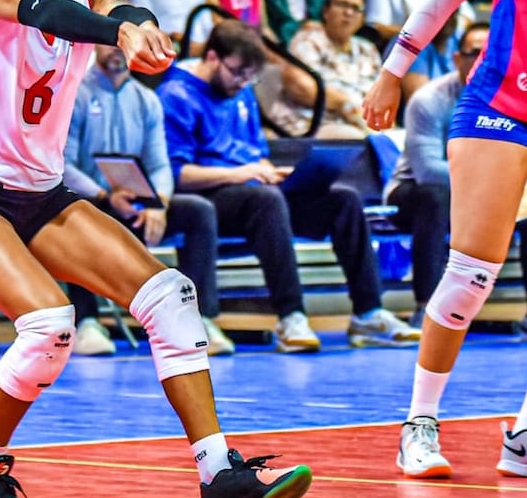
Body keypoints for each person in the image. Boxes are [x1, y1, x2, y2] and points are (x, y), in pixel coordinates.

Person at [0, 0, 311, 498]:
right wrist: (119, 33)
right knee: (50, 325)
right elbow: (46, 14)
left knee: (170, 295)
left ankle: (220, 475)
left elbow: (118, 4)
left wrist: (141, 28)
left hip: (40, 194)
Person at [362, 0, 527, 481]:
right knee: (470, 277)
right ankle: (419, 424)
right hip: (498, 109)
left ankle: (523, 437)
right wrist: (392, 72)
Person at [158, 18, 422, 356]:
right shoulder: (176, 94)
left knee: (342, 199)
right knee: (265, 200)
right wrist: (240, 173)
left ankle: (369, 314)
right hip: (209, 198)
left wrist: (272, 171)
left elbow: (255, 152)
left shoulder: (241, 91)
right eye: (236, 72)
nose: (242, 83)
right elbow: (176, 174)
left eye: (250, 77)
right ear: (212, 57)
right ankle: (291, 316)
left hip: (256, 192)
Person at [63, 44, 232, 357]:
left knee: (199, 212)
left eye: (123, 46)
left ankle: (199, 318)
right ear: (95, 44)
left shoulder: (146, 100)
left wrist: (159, 204)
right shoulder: (74, 94)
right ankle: (86, 321)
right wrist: (105, 195)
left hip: (136, 204)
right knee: (76, 211)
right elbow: (63, 165)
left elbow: (159, 164)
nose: (117, 52)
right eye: (110, 44)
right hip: (92, 198)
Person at [383, 22, 491, 329]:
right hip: (412, 192)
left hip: (478, 194)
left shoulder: (511, 102)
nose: (482, 60)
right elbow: (428, 171)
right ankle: (426, 307)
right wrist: (491, 181)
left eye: (489, 53)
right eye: (474, 53)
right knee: (436, 197)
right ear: (457, 58)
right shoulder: (429, 99)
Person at [284, 0, 382, 138]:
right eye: (342, 5)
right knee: (362, 138)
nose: (348, 13)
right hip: (314, 125)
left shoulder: (368, 49)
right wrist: (344, 104)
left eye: (356, 8)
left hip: (364, 126)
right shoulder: (308, 41)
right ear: (326, 11)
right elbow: (301, 87)